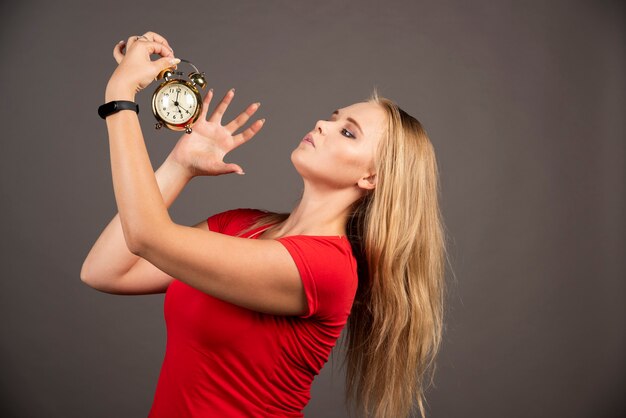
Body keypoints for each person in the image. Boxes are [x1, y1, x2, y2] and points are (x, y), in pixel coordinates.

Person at [81, 31, 447, 418]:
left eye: (347, 132)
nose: (323, 123)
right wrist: (179, 166)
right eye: (334, 116)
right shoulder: (240, 225)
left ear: (371, 178)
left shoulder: (328, 270)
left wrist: (120, 96)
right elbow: (105, 271)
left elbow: (147, 236)